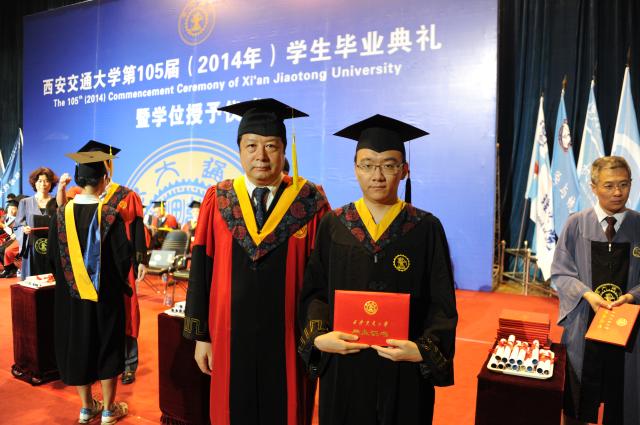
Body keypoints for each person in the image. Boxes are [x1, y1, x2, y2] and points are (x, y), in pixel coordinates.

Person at [298, 114, 458, 425]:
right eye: (368, 164)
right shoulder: (334, 224)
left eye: (389, 165)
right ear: (355, 169)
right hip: (345, 365)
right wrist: (319, 337)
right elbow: (315, 292)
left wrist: (423, 350)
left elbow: (442, 302)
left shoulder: (426, 227)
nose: (378, 175)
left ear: (404, 170)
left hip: (404, 370)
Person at [183, 98, 330, 425]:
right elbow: (201, 270)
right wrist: (202, 336)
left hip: (290, 340)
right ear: (239, 150)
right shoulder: (218, 199)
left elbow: (323, 278)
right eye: (251, 146)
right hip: (228, 337)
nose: (261, 156)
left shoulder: (309, 202)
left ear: (284, 150)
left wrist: (316, 336)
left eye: (271, 146)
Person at [552, 156, 640, 425]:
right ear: (593, 187)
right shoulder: (576, 224)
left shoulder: (639, 225)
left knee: (624, 402)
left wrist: (632, 296)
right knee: (577, 404)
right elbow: (561, 272)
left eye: (624, 184)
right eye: (609, 185)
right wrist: (587, 294)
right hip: (584, 328)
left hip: (628, 332)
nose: (618, 192)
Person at [47, 149, 131, 424]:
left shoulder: (60, 215)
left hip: (70, 298)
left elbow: (52, 259)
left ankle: (86, 407)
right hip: (105, 297)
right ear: (104, 179)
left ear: (78, 180)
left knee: (78, 345)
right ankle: (108, 409)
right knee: (107, 345)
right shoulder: (110, 215)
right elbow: (123, 260)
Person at [56, 140, 149, 386]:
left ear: (109, 166)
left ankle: (128, 363)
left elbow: (137, 228)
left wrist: (140, 259)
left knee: (127, 312)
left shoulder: (126, 195)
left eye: (105, 161)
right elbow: (62, 219)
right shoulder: (76, 195)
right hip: (81, 268)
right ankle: (96, 366)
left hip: (117, 265)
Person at [15, 167, 59, 277]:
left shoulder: (57, 202)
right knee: (32, 280)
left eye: (47, 181)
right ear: (34, 183)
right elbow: (17, 226)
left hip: (53, 247)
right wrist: (23, 229)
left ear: (51, 183)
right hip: (32, 250)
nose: (43, 184)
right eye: (39, 181)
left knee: (52, 279)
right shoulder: (25, 202)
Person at [0, 199, 19, 277]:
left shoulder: (19, 218)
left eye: (14, 208)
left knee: (2, 250)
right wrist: (4, 226)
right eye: (10, 208)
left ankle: (10, 269)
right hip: (8, 238)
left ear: (18, 210)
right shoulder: (4, 217)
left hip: (17, 239)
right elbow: (1, 223)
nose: (11, 211)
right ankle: (9, 269)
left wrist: (15, 234)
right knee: (1, 250)